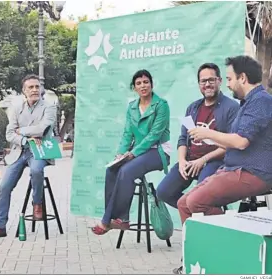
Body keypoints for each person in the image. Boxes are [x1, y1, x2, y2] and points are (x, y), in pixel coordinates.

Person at [173, 55, 272, 274]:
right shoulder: (248, 103)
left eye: (228, 78)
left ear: (242, 78)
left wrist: (209, 133)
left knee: (196, 201)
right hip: (232, 168)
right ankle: (197, 256)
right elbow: (234, 140)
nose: (226, 84)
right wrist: (212, 137)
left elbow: (240, 141)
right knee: (183, 203)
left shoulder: (261, 101)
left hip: (253, 172)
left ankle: (225, 253)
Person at [91, 69, 171, 235]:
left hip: (158, 151)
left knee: (126, 171)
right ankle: (117, 219)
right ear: (134, 87)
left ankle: (114, 220)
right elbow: (127, 134)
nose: (143, 86)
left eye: (146, 82)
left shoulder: (161, 105)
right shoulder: (132, 107)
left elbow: (154, 135)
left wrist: (133, 153)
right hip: (137, 152)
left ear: (151, 84)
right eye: (139, 83)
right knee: (112, 169)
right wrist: (121, 154)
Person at [0, 74, 56, 240]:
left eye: (37, 87)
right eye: (30, 87)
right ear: (24, 91)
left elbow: (43, 129)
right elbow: (9, 134)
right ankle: (0, 226)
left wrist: (21, 130)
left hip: (40, 149)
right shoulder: (16, 108)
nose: (35, 90)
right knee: (4, 187)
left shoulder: (49, 106)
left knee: (36, 171)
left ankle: (37, 203)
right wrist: (24, 139)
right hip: (20, 151)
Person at [156, 63, 239, 208]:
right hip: (190, 160)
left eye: (211, 80)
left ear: (219, 81)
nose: (207, 84)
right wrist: (182, 161)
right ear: (199, 84)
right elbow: (183, 139)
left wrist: (203, 160)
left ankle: (204, 214)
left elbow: (232, 144)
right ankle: (199, 213)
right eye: (203, 81)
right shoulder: (193, 108)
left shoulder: (231, 107)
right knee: (163, 191)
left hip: (216, 161)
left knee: (199, 195)